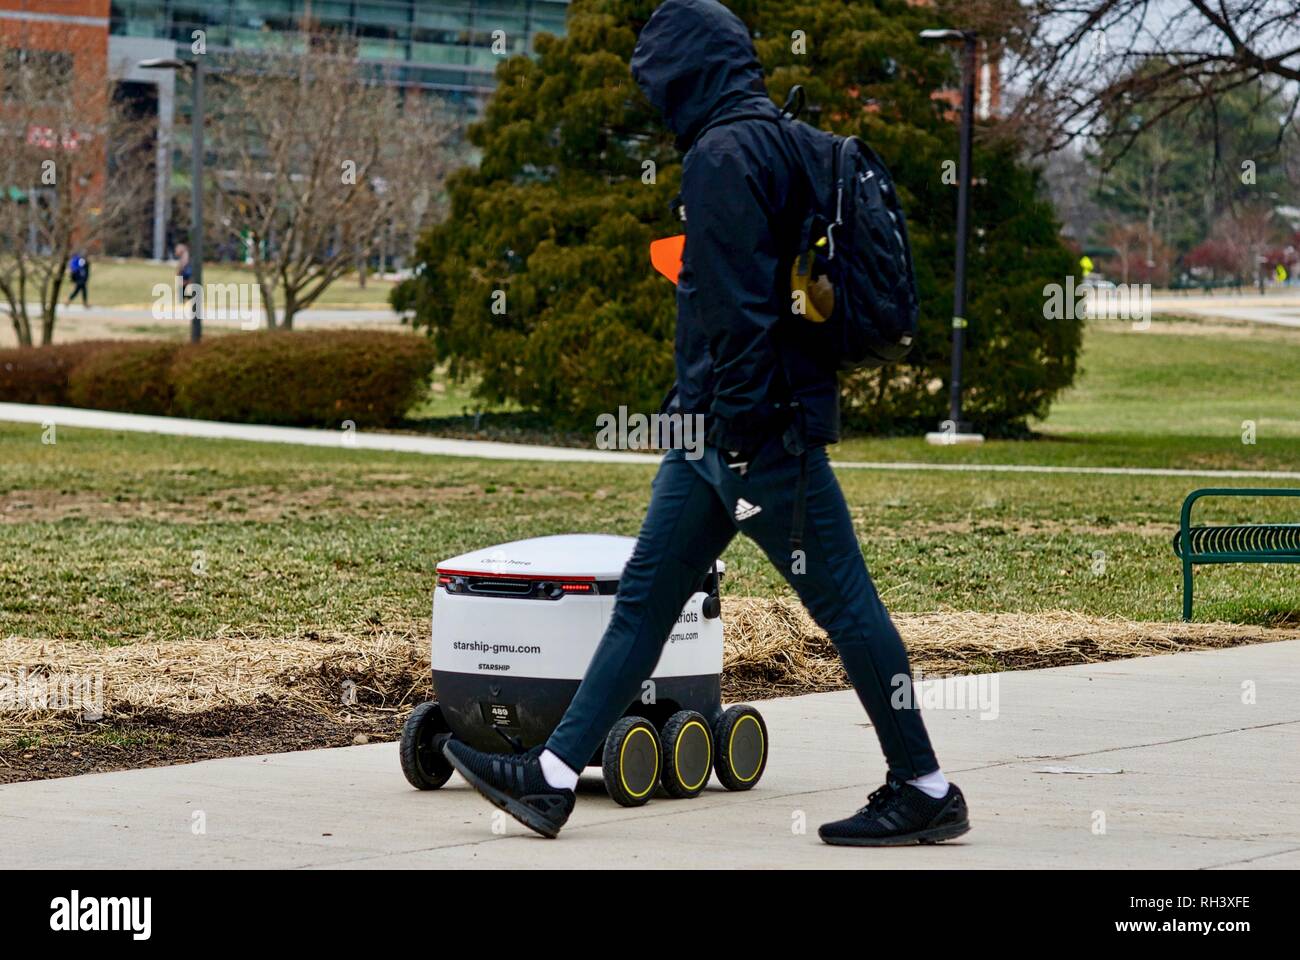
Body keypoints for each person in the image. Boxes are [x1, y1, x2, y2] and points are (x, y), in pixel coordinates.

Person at [442, 0, 969, 847]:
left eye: (658, 78)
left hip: (751, 439)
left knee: (847, 608)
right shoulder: (782, 140)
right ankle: (548, 780)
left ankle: (923, 783)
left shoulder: (724, 155)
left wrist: (734, 431)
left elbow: (739, 317)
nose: (654, 99)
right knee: (644, 604)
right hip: (717, 436)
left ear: (686, 72)